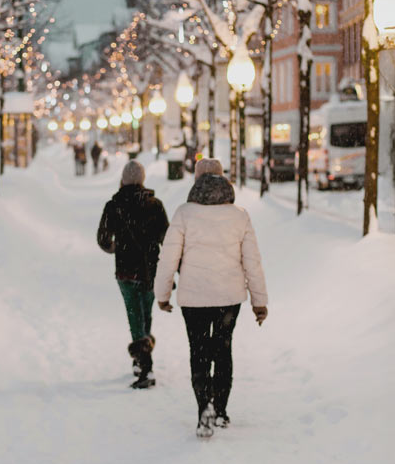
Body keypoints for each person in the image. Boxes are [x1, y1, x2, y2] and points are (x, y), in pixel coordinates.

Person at [154, 158, 268, 438]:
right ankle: (221, 410)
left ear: (196, 181)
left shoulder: (184, 213)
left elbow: (168, 259)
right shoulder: (239, 215)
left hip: (193, 298)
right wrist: (259, 301)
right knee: (223, 350)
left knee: (199, 353)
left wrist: (163, 294)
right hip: (228, 297)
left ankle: (204, 407)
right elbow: (252, 261)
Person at [97, 160, 170, 389]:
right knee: (145, 312)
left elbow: (102, 239)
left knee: (133, 315)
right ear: (142, 179)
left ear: (123, 180)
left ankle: (144, 365)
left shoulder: (114, 205)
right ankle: (143, 353)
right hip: (150, 270)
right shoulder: (155, 205)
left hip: (126, 270)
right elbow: (166, 239)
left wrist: (116, 248)